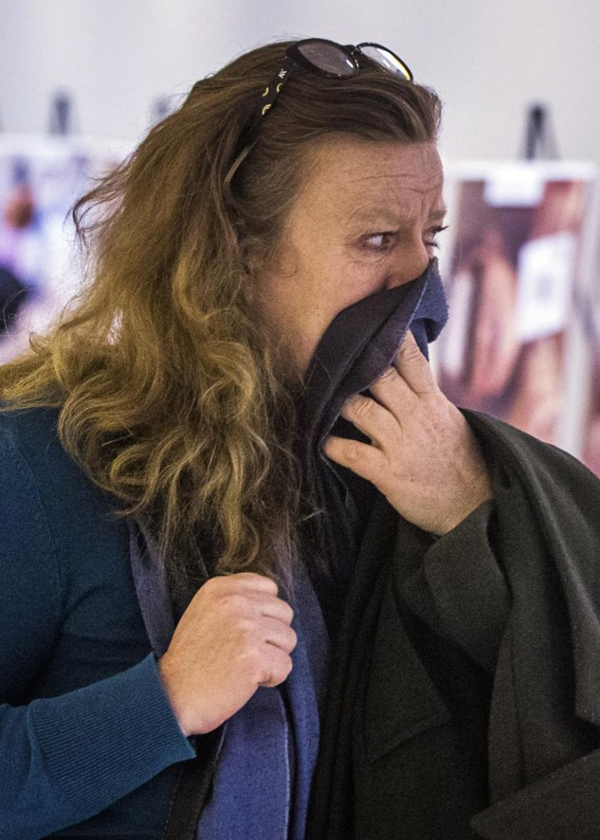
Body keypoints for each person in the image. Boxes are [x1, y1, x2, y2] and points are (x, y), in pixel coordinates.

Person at [2, 37, 600, 840]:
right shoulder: (43, 460)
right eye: (377, 241)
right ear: (237, 253)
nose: (419, 283)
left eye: (430, 238)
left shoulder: (386, 472)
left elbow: (510, 730)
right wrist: (163, 702)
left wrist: (471, 518)